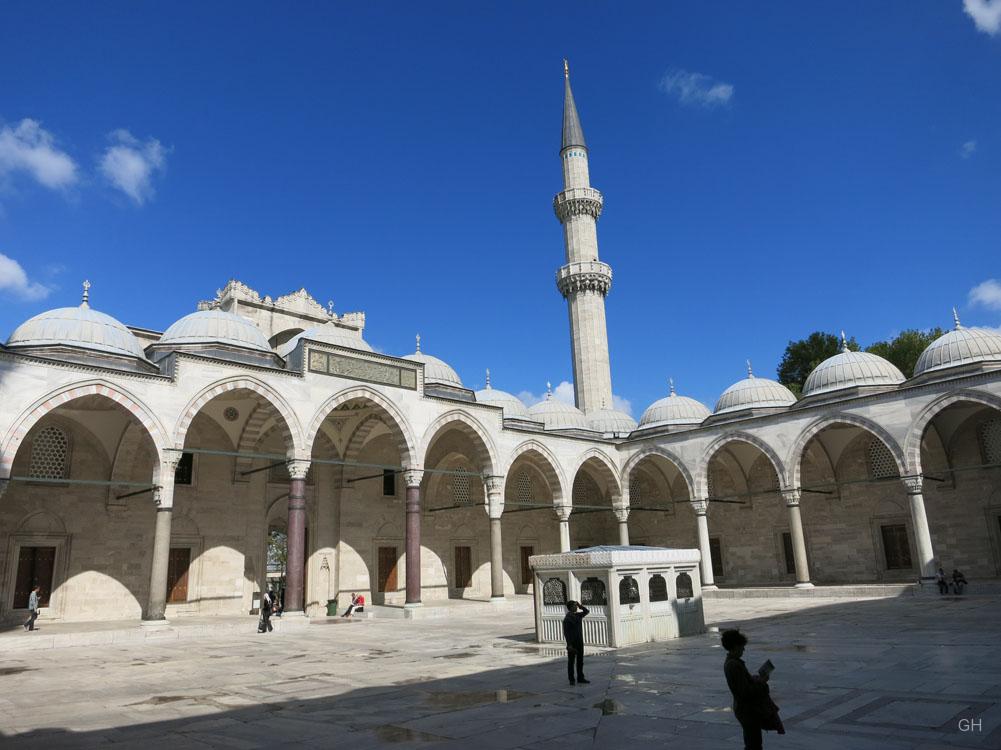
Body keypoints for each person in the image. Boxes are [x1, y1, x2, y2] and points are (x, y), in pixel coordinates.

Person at [721, 629, 785, 750]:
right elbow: (745, 692)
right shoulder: (733, 665)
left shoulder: (733, 663)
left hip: (745, 710)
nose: (743, 649)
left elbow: (743, 684)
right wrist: (762, 683)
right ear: (735, 646)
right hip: (747, 711)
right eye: (742, 646)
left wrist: (755, 679)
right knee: (753, 744)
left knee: (753, 742)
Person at [562, 600, 590, 686]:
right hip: (572, 643)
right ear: (570, 608)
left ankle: (580, 677)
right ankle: (571, 679)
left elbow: (586, 611)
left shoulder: (578, 615)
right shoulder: (567, 619)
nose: (576, 607)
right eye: (574, 606)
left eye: (576, 606)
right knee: (571, 662)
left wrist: (580, 606)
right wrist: (569, 645)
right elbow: (566, 633)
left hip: (579, 641)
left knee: (580, 661)